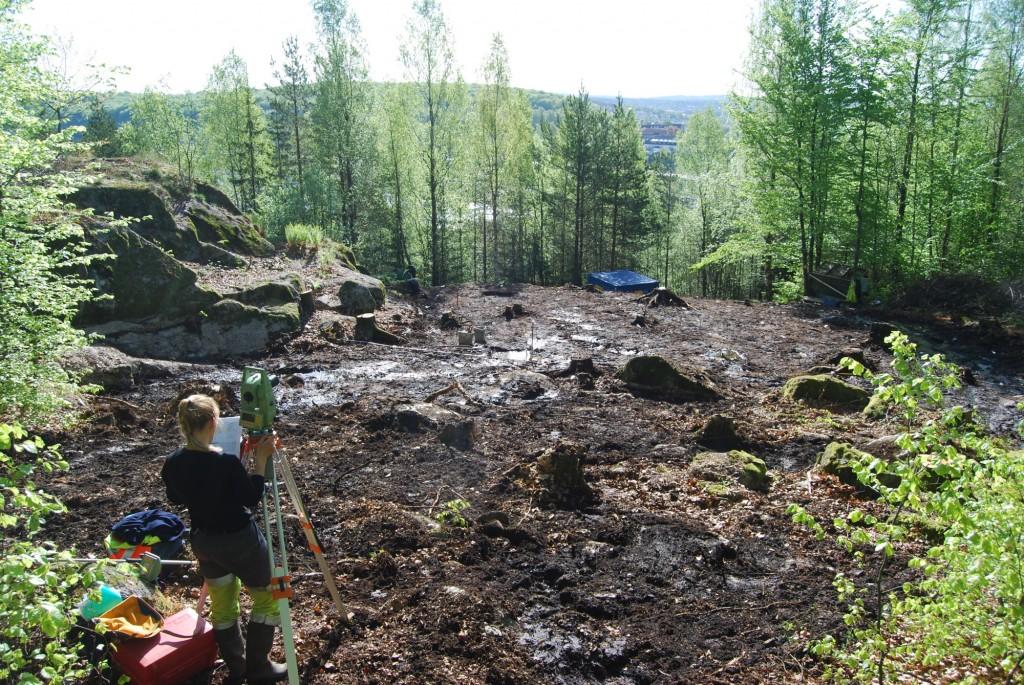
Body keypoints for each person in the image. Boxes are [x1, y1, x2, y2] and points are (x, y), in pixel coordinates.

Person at [161, 394, 288, 684]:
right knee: (266, 598)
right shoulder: (225, 463)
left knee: (222, 605)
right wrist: (261, 462)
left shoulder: (173, 462)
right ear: (213, 422)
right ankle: (259, 668)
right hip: (240, 541)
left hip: (204, 543)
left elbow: (176, 497)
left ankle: (237, 666)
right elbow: (251, 496)